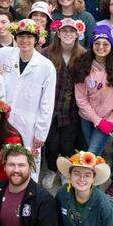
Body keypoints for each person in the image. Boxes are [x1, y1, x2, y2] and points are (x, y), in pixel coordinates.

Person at [0, 20, 57, 175]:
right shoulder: (6, 54)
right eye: (20, 36)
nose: (24, 40)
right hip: (5, 121)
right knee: (5, 159)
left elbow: (47, 103)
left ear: (36, 39)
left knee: (29, 162)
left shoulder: (46, 66)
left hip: (30, 126)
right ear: (15, 38)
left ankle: (28, 195)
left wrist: (41, 133)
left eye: (29, 36)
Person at [71, 23, 113, 163]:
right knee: (94, 152)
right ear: (92, 45)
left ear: (111, 46)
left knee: (91, 154)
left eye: (105, 44)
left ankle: (87, 183)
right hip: (87, 118)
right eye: (97, 43)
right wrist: (96, 120)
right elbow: (80, 98)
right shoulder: (82, 65)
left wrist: (112, 120)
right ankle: (95, 181)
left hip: (108, 119)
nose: (101, 47)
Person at [42, 18, 87, 187]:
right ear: (58, 33)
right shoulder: (47, 53)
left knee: (68, 144)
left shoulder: (83, 55)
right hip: (51, 108)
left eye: (72, 31)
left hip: (72, 109)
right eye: (65, 31)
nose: (68, 34)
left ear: (77, 35)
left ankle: (64, 171)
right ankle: (52, 169)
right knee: (52, 144)